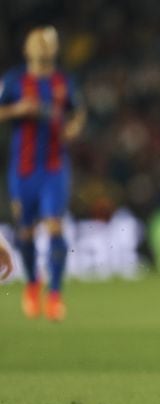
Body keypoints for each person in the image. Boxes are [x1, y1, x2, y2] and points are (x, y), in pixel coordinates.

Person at [0, 26, 87, 321]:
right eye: (36, 41)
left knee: (54, 226)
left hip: (54, 167)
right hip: (22, 169)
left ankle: (54, 294)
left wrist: (73, 128)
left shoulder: (63, 81)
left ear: (54, 49)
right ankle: (33, 284)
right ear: (27, 48)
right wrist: (18, 110)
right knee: (24, 230)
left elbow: (78, 112)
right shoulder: (14, 81)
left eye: (47, 41)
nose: (41, 45)